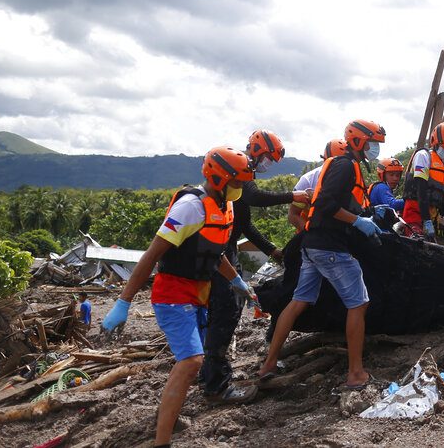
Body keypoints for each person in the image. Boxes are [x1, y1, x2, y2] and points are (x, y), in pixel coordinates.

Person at [100, 147, 259, 447]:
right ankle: (162, 441)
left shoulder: (224, 206)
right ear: (218, 178)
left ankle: (169, 420)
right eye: (236, 183)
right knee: (191, 361)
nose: (239, 190)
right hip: (172, 294)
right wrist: (123, 302)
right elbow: (151, 256)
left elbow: (215, 252)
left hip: (199, 294)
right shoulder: (190, 208)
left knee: (191, 365)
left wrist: (236, 279)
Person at [258, 120, 386, 390]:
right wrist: (356, 222)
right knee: (358, 304)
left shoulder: (346, 167)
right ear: (359, 141)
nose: (375, 148)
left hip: (312, 245)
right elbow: (326, 204)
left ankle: (269, 363)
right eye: (373, 142)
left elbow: (336, 203)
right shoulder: (345, 165)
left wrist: (367, 216)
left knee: (299, 300)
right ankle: (356, 373)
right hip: (329, 246)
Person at [201, 130, 310, 403]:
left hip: (227, 247)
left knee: (225, 311)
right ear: (257, 151)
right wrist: (293, 195)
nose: (268, 165)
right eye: (268, 159)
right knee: (226, 311)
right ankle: (216, 385)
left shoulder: (242, 180)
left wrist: (272, 251)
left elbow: (245, 223)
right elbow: (255, 198)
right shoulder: (239, 174)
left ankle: (209, 372)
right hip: (220, 249)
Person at [401, 122, 444, 240]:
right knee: (416, 242)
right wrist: (426, 219)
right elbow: (420, 190)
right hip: (415, 211)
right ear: (436, 142)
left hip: (431, 213)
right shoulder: (423, 156)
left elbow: (440, 193)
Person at [288, 139, 348, 233]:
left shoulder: (349, 177)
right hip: (310, 238)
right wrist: (308, 233)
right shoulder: (308, 180)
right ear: (325, 160)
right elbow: (293, 214)